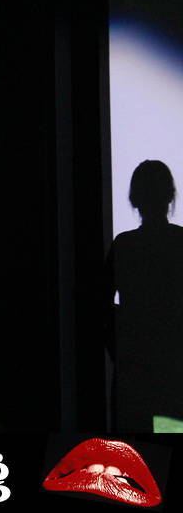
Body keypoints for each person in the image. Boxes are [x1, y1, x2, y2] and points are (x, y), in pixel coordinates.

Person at [105, 160, 183, 431]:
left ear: (134, 199)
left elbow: (101, 306)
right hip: (174, 371)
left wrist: (121, 348)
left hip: (134, 371)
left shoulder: (125, 245)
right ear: (170, 196)